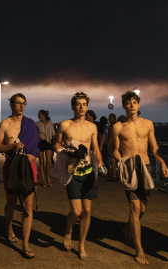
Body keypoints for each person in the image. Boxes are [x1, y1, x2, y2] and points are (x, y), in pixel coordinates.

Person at [111, 91, 168, 265]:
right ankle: (139, 249)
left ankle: (127, 227)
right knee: (135, 207)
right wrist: (121, 161)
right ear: (124, 105)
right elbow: (114, 149)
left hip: (145, 167)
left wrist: (163, 163)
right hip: (129, 168)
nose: (131, 105)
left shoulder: (148, 124)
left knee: (142, 209)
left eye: (134, 102)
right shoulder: (118, 127)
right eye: (128, 103)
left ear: (138, 105)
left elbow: (154, 148)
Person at [53, 92, 107, 260]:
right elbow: (56, 144)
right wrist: (63, 152)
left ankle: (81, 244)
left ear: (87, 107)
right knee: (76, 211)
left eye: (84, 104)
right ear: (73, 106)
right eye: (78, 104)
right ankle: (68, 231)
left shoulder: (92, 127)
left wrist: (103, 165)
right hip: (73, 172)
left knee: (87, 210)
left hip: (88, 171)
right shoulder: (64, 125)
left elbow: (96, 149)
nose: (82, 107)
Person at [0, 93, 39, 259]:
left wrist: (28, 160)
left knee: (27, 205)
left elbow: (36, 148)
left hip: (29, 166)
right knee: (11, 202)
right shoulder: (5, 124)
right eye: (18, 103)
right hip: (12, 167)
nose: (21, 106)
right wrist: (11, 146)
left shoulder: (31, 124)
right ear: (11, 105)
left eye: (23, 103)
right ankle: (9, 228)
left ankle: (25, 244)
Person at [36, 110, 55, 187]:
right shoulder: (37, 124)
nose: (38, 116)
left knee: (48, 161)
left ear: (43, 115)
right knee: (41, 161)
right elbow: (34, 133)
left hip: (48, 143)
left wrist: (56, 142)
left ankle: (48, 178)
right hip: (40, 142)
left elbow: (53, 134)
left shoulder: (50, 123)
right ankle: (43, 180)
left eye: (39, 114)